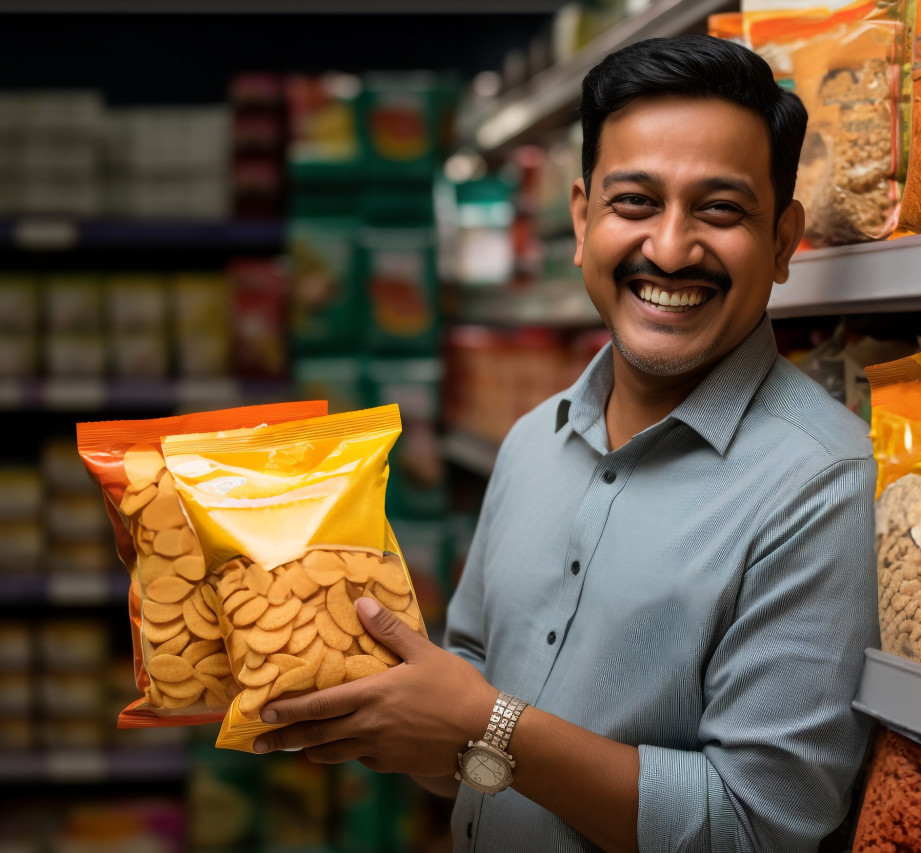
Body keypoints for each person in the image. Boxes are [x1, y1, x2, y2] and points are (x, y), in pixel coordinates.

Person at [251, 34, 879, 853]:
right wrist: (383, 710)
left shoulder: (820, 482)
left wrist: (486, 723)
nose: (669, 249)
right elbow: (463, 743)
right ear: (583, 219)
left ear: (784, 241)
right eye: (635, 202)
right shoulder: (530, 443)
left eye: (720, 210)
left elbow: (755, 825)